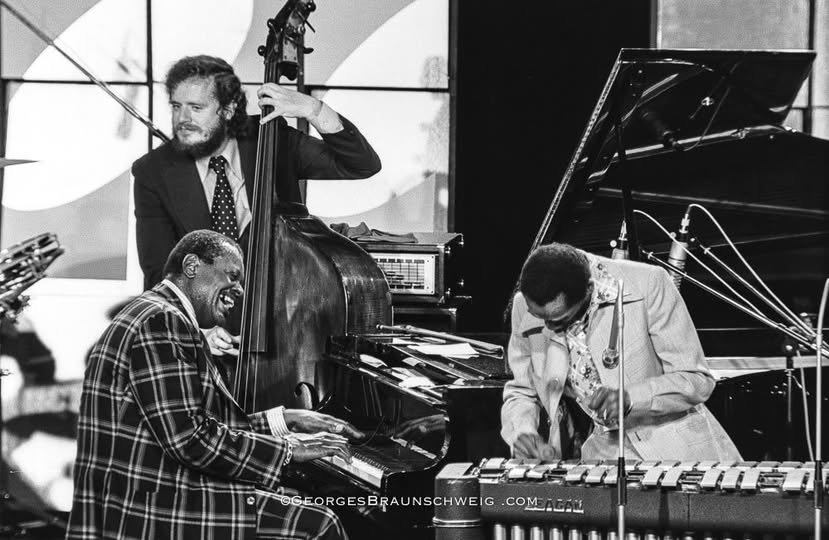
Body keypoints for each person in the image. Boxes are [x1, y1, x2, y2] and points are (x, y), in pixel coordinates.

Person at [66, 230, 364, 540]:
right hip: (155, 508)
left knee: (298, 498)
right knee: (319, 523)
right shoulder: (163, 322)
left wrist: (286, 419)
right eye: (232, 276)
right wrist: (290, 448)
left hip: (145, 493)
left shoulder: (152, 312)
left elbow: (194, 424)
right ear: (192, 266)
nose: (239, 290)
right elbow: (190, 440)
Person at [132, 55, 381, 355]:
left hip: (286, 333)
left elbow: (361, 165)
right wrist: (194, 332)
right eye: (176, 106)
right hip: (206, 339)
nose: (182, 119)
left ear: (229, 109)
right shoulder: (152, 172)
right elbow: (159, 271)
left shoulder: (272, 139)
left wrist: (313, 110)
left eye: (196, 108)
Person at [501, 243, 741, 462]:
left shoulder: (649, 284)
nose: (548, 328)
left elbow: (696, 380)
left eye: (560, 320)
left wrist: (631, 398)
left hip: (678, 450)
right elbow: (522, 391)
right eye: (541, 318)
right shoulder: (523, 305)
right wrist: (522, 432)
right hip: (603, 455)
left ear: (590, 291)